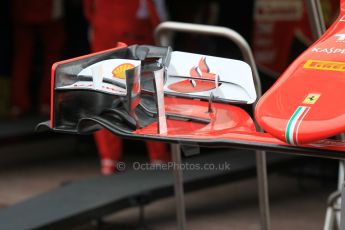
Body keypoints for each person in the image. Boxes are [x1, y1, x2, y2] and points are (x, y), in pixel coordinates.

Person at [83, 0, 170, 175]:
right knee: (146, 93)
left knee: (104, 93)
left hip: (103, 27)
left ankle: (108, 159)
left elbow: (88, 8)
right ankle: (158, 156)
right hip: (135, 30)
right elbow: (157, 13)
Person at [10, 0, 65, 117]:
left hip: (22, 10)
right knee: (52, 54)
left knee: (22, 56)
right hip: (49, 11)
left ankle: (18, 103)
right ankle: (46, 102)